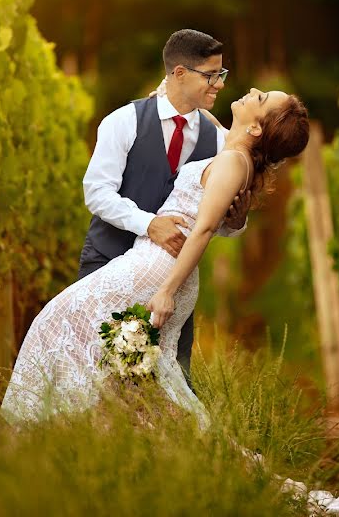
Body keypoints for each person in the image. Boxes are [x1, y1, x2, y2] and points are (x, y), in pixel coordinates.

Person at [0, 87, 310, 428]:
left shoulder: (234, 163)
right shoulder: (234, 151)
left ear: (256, 129)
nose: (252, 92)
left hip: (162, 267)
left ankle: (30, 433)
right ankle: (112, 433)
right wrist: (172, 93)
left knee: (57, 321)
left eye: (261, 98)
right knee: (130, 368)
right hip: (157, 261)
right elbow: (213, 125)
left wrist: (167, 291)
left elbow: (203, 231)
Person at [78, 29, 250, 388]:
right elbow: (96, 192)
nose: (219, 84)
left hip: (171, 282)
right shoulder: (123, 121)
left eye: (222, 74)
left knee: (169, 381)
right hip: (109, 261)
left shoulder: (218, 141)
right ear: (180, 73)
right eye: (211, 75)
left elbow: (218, 224)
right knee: (94, 378)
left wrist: (236, 220)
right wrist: (148, 223)